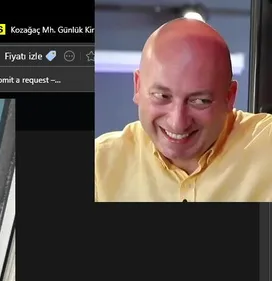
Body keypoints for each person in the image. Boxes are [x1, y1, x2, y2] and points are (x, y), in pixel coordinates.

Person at [94, 18, 272, 202]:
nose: (177, 123)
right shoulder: (99, 166)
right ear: (137, 86)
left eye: (200, 101)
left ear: (230, 97)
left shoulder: (267, 145)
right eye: (162, 96)